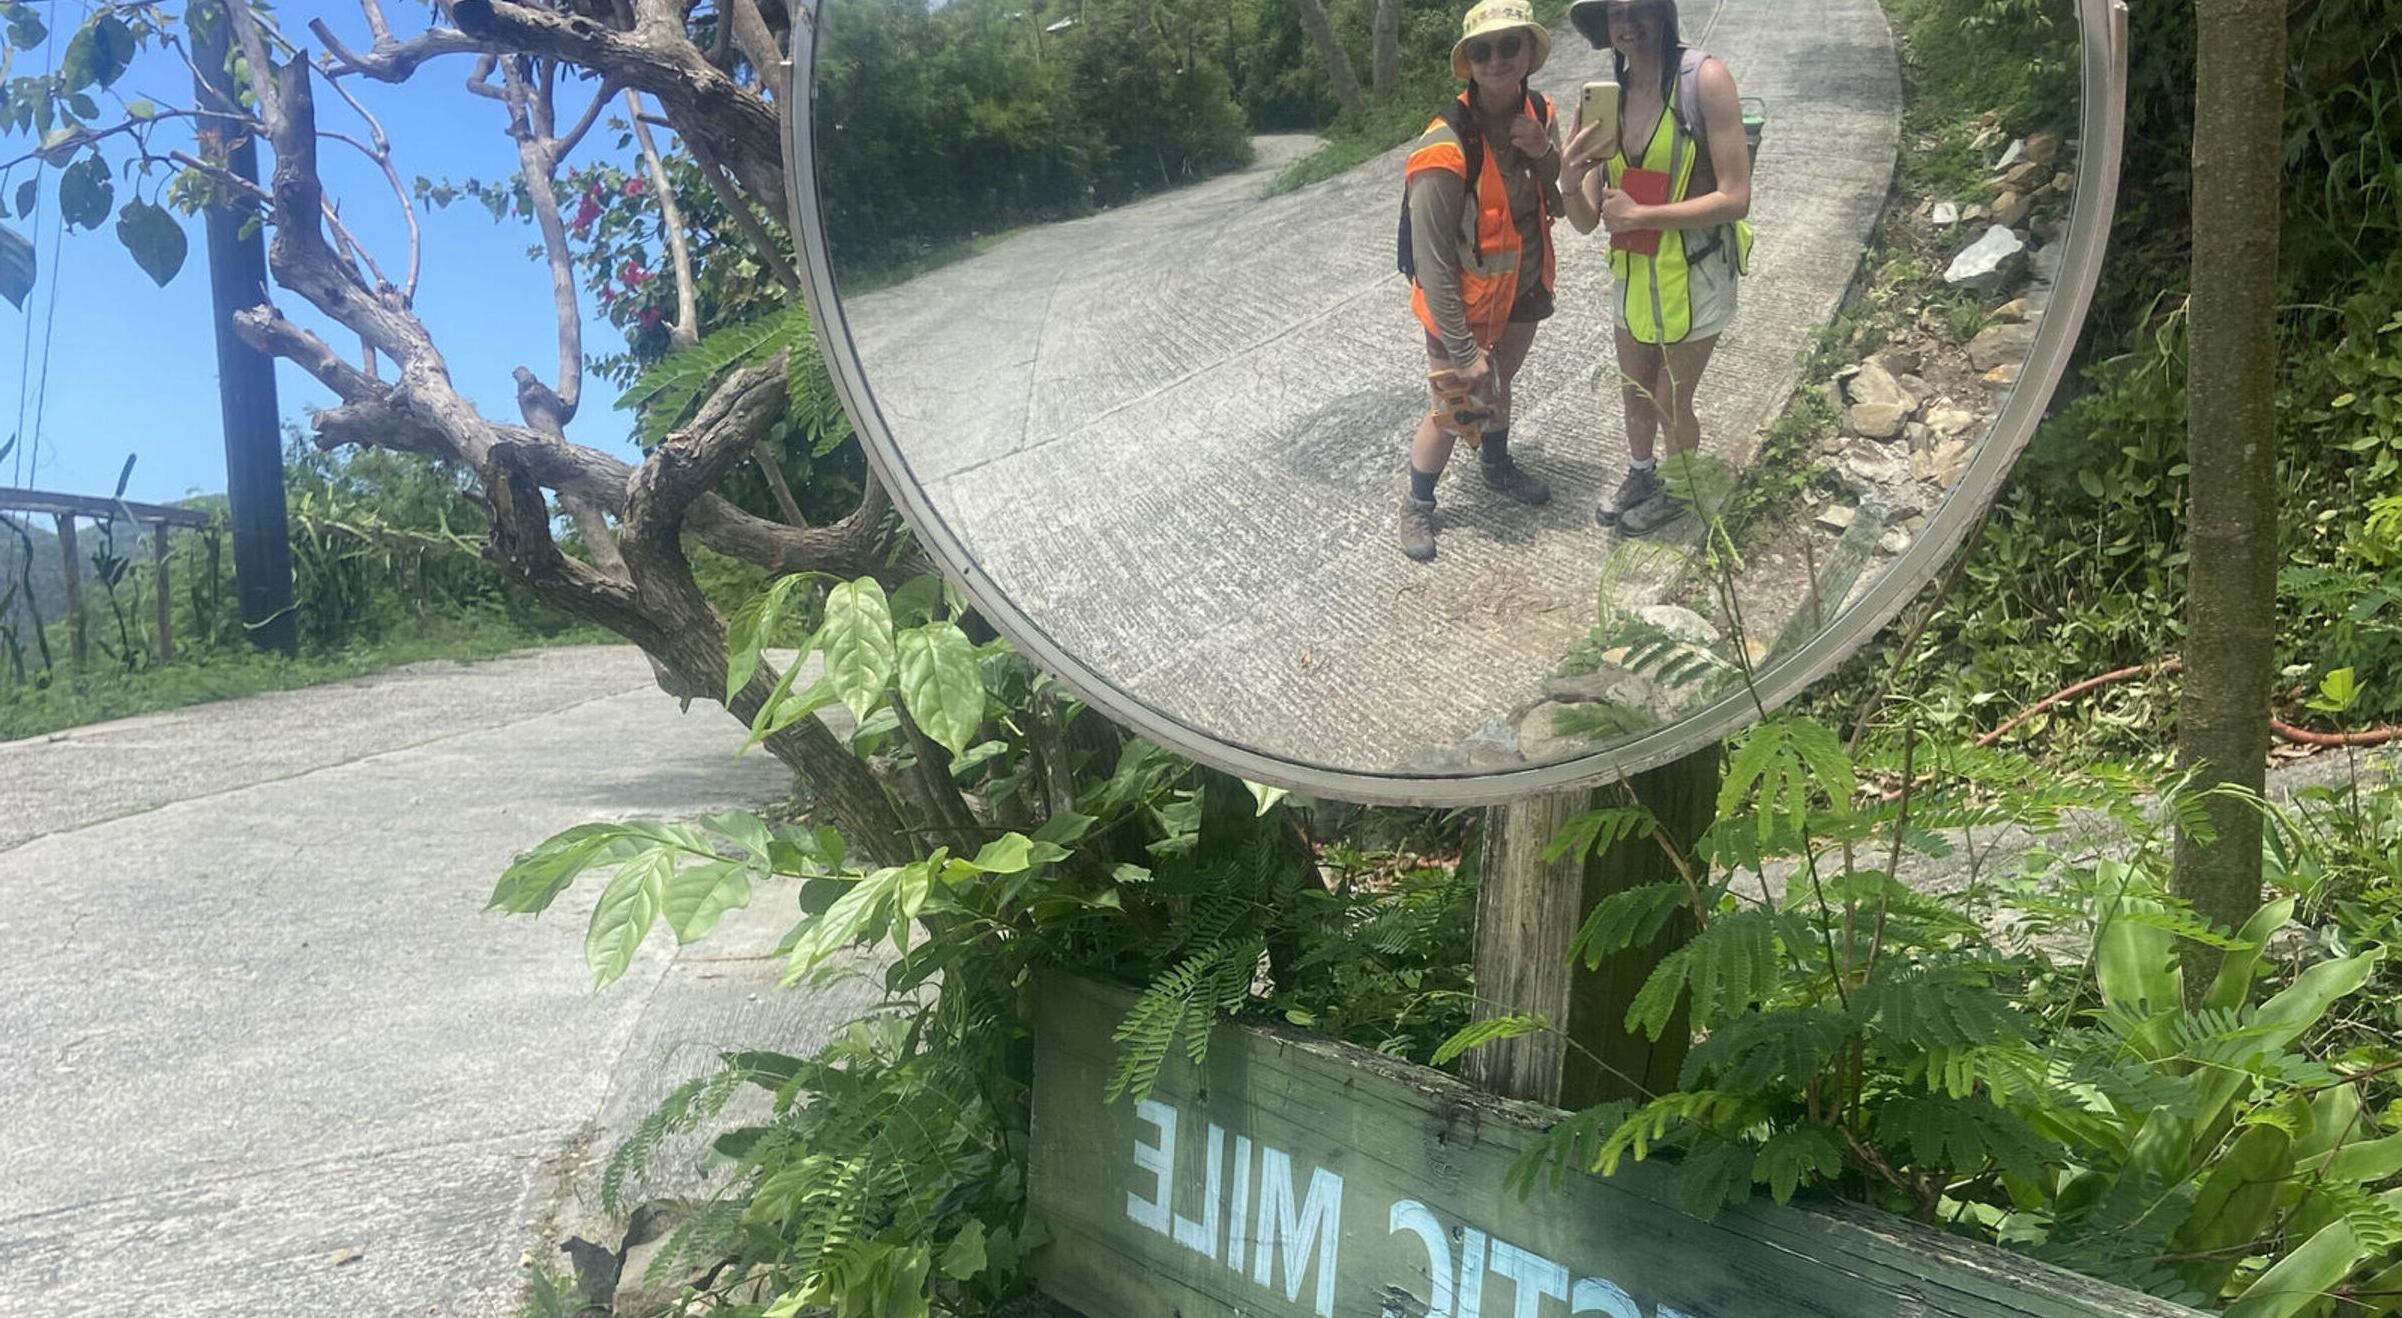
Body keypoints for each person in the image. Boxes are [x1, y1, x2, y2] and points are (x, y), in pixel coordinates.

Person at [1559, 0, 1752, 535]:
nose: (1628, 24)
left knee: (1670, 400)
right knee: (1635, 393)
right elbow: (1584, 220)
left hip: (1697, 271)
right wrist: (1569, 178)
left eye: (1640, 8)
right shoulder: (1608, 103)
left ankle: (1678, 490)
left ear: (1664, 14)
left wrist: (1643, 214)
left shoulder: (1705, 80)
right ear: (1605, 29)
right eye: (1616, 14)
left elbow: (1736, 198)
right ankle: (1642, 475)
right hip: (1634, 272)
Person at [1395, 0, 1563, 563]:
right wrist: (1463, 348)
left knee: (1501, 383)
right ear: (1468, 62)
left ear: (1530, 53)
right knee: (1457, 402)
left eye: (1509, 46)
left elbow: (1554, 184)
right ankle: (1417, 503)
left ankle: (1495, 464)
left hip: (1522, 282)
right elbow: (1433, 258)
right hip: (1460, 300)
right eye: (1483, 50)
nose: (1497, 59)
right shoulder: (1443, 145)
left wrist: (1544, 152)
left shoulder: (1540, 111)